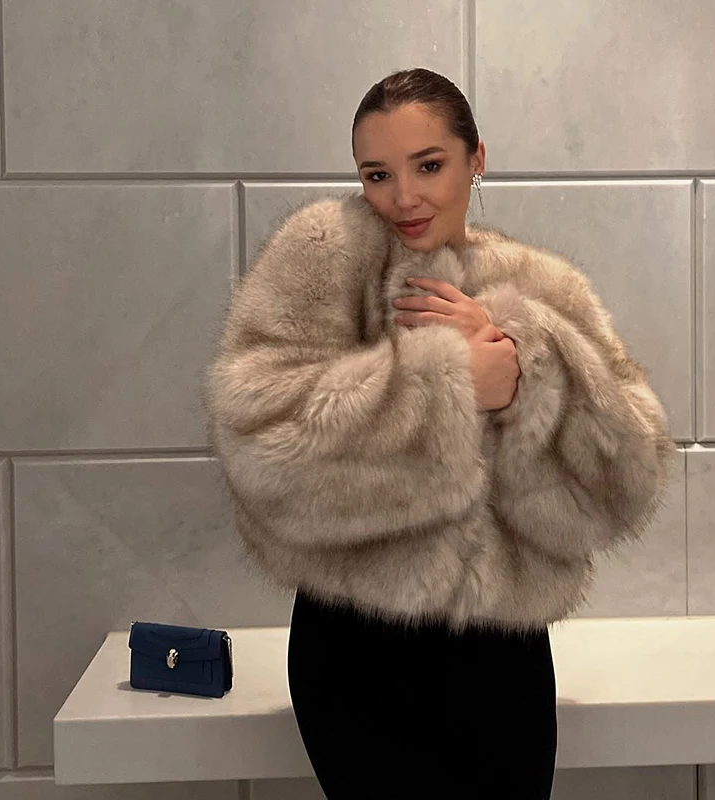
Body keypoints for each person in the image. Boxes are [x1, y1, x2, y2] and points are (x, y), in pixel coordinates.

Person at [202, 67, 676, 799]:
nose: (404, 197)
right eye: (377, 174)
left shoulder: (542, 287)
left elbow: (630, 477)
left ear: (476, 158)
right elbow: (261, 443)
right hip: (355, 649)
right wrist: (446, 387)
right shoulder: (326, 253)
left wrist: (526, 366)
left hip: (503, 654)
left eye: (429, 165)